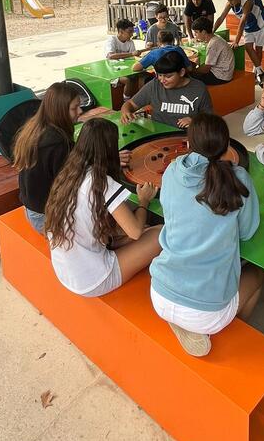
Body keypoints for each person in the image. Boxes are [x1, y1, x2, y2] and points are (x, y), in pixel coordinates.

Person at [150, 113, 262, 357]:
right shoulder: (238, 178)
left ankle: (185, 321)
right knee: (256, 276)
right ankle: (225, 330)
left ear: (188, 143)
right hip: (207, 312)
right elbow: (247, 232)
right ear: (227, 145)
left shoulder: (172, 170)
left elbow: (169, 213)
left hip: (160, 293)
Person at [45, 118, 162, 298]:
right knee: (161, 233)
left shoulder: (69, 173)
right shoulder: (101, 182)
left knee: (138, 228)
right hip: (94, 279)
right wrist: (143, 201)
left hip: (67, 271)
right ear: (109, 149)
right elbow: (135, 232)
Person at [13, 82, 82, 233]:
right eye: (75, 108)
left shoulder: (35, 127)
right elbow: (73, 181)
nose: (80, 111)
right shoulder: (58, 144)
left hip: (32, 210)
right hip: (46, 218)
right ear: (60, 110)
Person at [121, 50, 213, 128]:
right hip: (160, 136)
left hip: (187, 137)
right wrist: (126, 112)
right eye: (160, 75)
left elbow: (209, 118)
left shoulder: (199, 88)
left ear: (181, 72)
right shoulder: (155, 85)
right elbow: (130, 104)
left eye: (168, 76)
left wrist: (194, 120)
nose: (162, 80)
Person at [213, 0, 264, 85]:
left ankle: (256, 72)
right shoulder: (230, 3)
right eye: (228, 0)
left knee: (258, 49)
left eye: (231, 0)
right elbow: (221, 17)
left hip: (260, 22)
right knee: (248, 47)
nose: (230, 2)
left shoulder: (247, 1)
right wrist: (212, 31)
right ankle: (261, 72)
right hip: (249, 25)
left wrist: (236, 41)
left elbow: (242, 21)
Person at [191, 17, 234, 85]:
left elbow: (206, 69)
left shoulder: (213, 44)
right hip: (225, 73)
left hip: (220, 77)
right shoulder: (216, 38)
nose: (194, 35)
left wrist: (192, 70)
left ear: (204, 32)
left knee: (189, 76)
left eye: (196, 32)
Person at [105, 18, 139, 100]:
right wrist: (131, 54)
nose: (132, 34)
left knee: (142, 76)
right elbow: (111, 56)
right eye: (129, 32)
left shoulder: (130, 42)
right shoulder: (112, 40)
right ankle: (126, 100)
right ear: (121, 31)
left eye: (132, 31)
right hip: (113, 72)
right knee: (128, 80)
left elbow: (133, 59)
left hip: (126, 70)